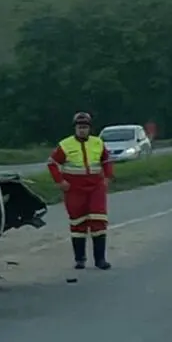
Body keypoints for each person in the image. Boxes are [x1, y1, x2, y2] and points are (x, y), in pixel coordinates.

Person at [47, 112, 114, 270]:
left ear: (90, 128)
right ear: (75, 128)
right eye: (79, 127)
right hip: (74, 189)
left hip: (96, 187)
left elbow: (106, 160)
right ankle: (80, 259)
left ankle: (100, 260)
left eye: (85, 127)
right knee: (78, 223)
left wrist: (107, 178)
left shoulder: (98, 142)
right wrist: (60, 181)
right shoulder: (65, 145)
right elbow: (52, 163)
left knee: (98, 221)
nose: (82, 130)